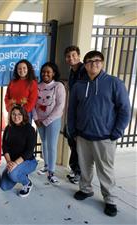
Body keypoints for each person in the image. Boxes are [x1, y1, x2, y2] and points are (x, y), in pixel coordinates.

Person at [68, 50, 131, 217]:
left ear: (102, 63)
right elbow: (71, 110)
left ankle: (110, 199)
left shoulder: (114, 83)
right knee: (85, 166)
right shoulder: (79, 86)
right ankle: (86, 189)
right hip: (82, 135)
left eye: (96, 61)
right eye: (89, 61)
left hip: (105, 137)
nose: (93, 64)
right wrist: (72, 130)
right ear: (85, 64)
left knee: (105, 169)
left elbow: (125, 110)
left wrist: (117, 131)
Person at [33, 62, 66, 185]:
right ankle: (46, 165)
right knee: (44, 143)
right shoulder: (37, 86)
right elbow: (32, 104)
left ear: (54, 73)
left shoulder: (58, 86)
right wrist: (36, 119)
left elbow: (60, 106)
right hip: (39, 121)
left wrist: (47, 121)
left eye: (48, 72)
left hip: (53, 120)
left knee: (52, 145)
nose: (45, 74)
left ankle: (51, 173)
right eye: (43, 71)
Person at [1, 105, 37, 197]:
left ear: (24, 115)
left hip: (28, 161)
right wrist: (9, 162)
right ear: (10, 115)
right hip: (12, 162)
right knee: (4, 186)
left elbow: (29, 151)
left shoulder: (30, 129)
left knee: (13, 173)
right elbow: (5, 147)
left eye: (19, 114)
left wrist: (15, 164)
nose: (16, 117)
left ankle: (27, 183)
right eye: (13, 114)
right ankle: (20, 173)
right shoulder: (8, 128)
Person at [64, 45, 87, 184]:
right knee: (72, 140)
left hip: (81, 113)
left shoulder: (84, 70)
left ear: (79, 56)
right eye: (68, 56)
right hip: (72, 111)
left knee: (80, 144)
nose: (71, 58)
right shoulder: (72, 71)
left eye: (73, 55)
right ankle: (74, 169)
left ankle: (79, 173)